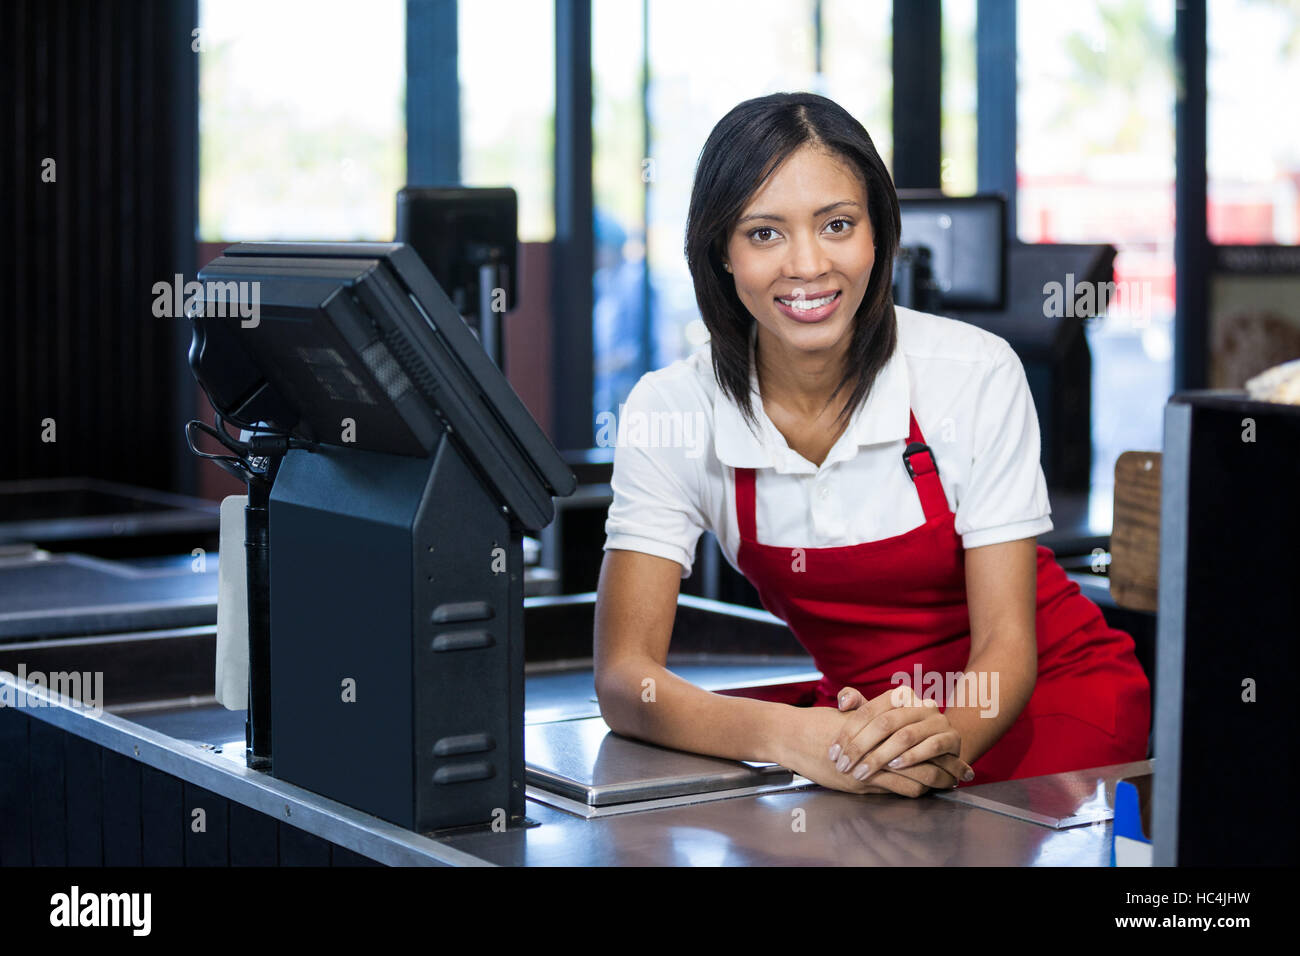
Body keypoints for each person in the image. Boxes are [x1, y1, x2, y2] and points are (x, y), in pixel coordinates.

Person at [593, 91, 1151, 797]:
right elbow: (624, 678)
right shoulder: (672, 409)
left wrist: (931, 750)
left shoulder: (973, 373)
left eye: (837, 225)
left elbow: (1008, 649)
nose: (807, 265)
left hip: (1037, 705)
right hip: (861, 725)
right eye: (764, 233)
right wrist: (790, 738)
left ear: (878, 235)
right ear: (720, 253)